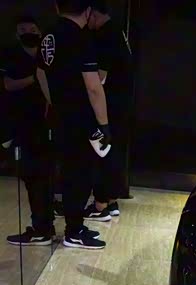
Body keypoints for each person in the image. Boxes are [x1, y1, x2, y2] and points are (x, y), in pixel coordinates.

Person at [36, 0, 112, 249]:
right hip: (82, 118)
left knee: (66, 170)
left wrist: (54, 102)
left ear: (57, 7)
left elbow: (41, 73)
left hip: (60, 115)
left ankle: (67, 227)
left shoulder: (48, 36)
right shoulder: (80, 38)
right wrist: (104, 125)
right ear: (87, 11)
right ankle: (74, 230)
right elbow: (93, 87)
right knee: (80, 173)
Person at [4, 15, 56, 246]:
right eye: (23, 29)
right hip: (23, 124)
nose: (29, 33)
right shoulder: (12, 57)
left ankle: (42, 228)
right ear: (17, 35)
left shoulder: (49, 55)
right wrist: (36, 78)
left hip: (47, 125)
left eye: (32, 29)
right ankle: (42, 225)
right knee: (31, 176)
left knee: (41, 176)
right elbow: (8, 84)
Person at [87, 0, 134, 219]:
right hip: (121, 103)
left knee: (102, 152)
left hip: (108, 105)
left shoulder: (105, 35)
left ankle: (100, 205)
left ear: (93, 13)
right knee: (114, 152)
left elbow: (100, 78)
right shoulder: (118, 32)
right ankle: (112, 201)